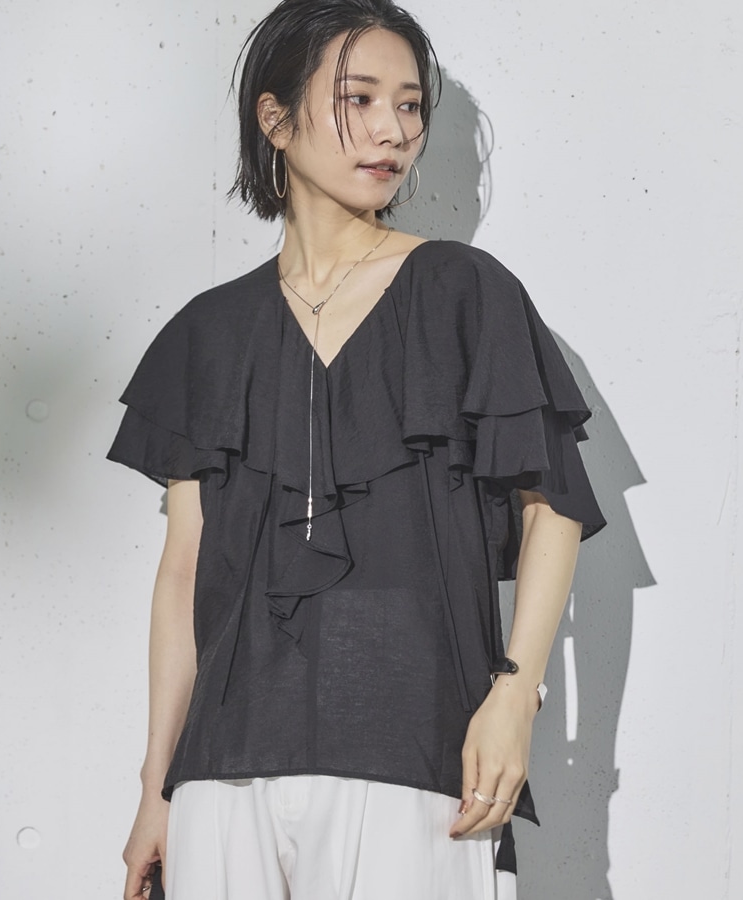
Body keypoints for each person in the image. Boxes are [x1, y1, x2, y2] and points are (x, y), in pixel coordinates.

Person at [109, 1, 605, 898]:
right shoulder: (207, 332)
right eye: (360, 98)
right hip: (225, 766)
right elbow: (183, 573)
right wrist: (156, 789)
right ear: (274, 119)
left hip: (416, 749)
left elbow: (551, 510)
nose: (393, 130)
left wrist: (512, 697)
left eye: (410, 105)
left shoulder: (465, 293)